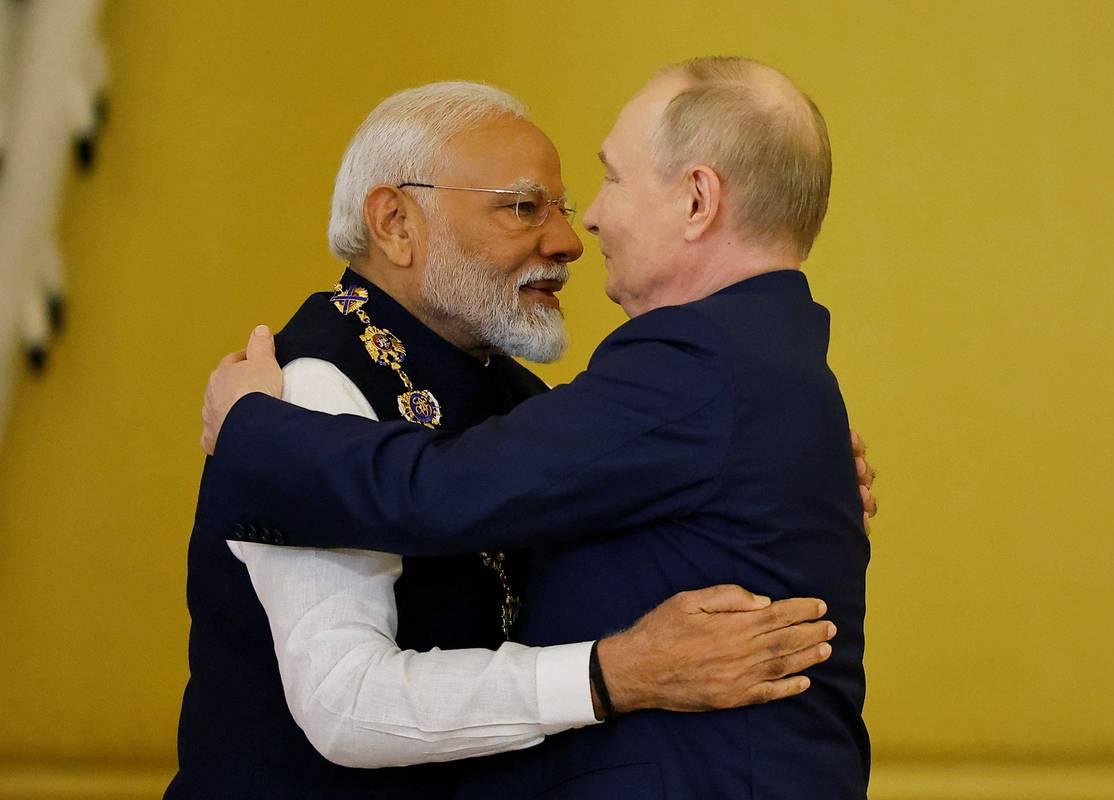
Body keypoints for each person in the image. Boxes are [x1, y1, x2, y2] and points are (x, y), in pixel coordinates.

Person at [169, 79, 871, 799]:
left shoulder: (530, 394)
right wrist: (611, 675)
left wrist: (783, 469)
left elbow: (474, 491)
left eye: (567, 204)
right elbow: (345, 703)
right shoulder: (306, 388)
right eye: (522, 208)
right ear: (396, 222)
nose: (570, 239)